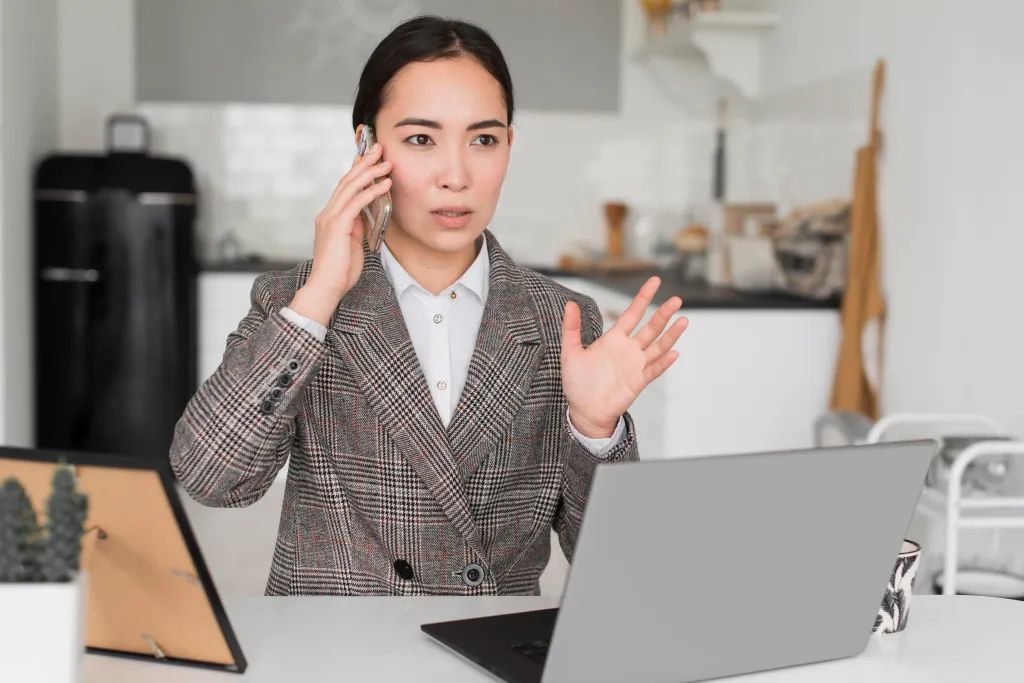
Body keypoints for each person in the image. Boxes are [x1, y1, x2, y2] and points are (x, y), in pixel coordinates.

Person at [169, 14, 687, 596]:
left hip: (489, 653)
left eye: (483, 139)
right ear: (366, 146)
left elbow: (613, 561)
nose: (457, 175)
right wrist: (318, 298)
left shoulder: (559, 320)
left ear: (509, 147)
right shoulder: (297, 304)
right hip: (333, 655)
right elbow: (211, 479)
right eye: (421, 139)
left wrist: (596, 431)